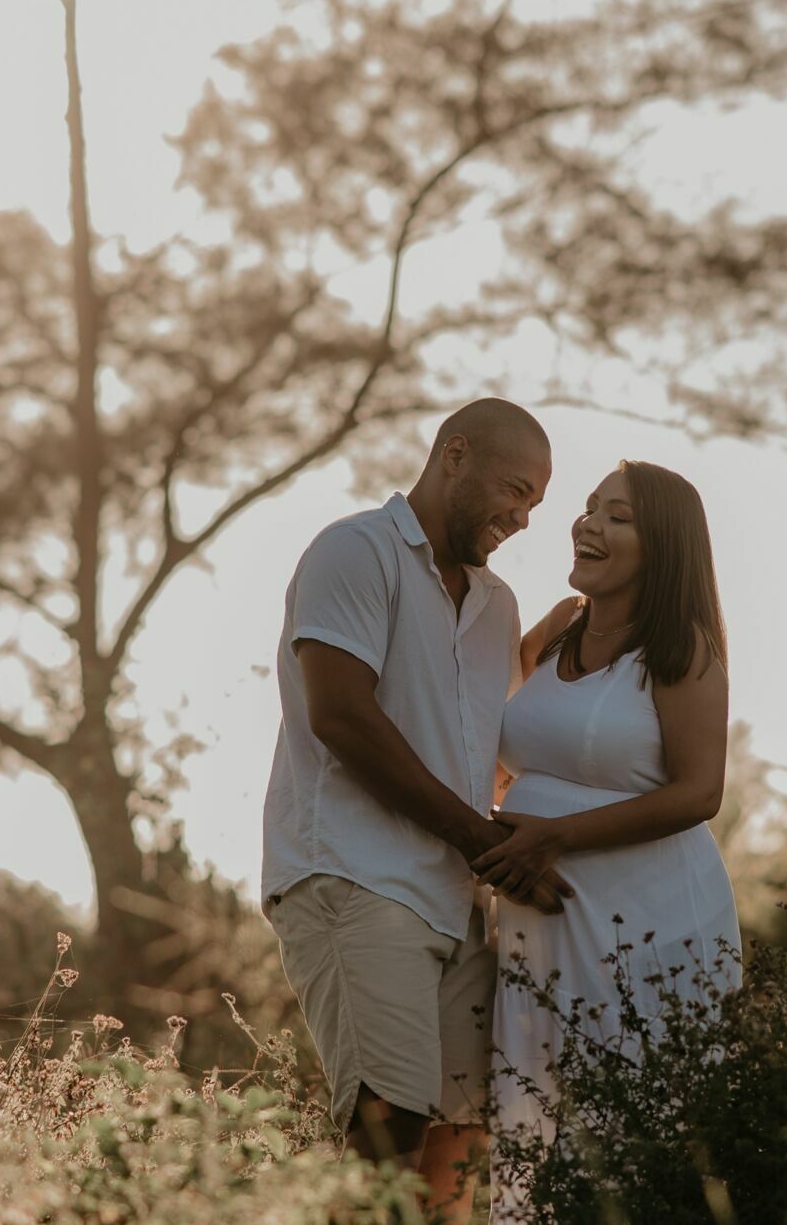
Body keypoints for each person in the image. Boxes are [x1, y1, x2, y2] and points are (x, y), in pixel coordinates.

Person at [260, 397, 571, 1222]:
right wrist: (479, 839)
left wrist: (566, 643)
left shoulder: (497, 606)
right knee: (384, 1138)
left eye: (535, 504)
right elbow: (343, 716)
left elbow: (487, 749)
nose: (523, 516)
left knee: (462, 1145)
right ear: (454, 453)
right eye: (515, 490)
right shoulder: (355, 552)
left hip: (456, 903)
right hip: (353, 877)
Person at [474, 459, 742, 1220]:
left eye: (617, 516)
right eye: (590, 508)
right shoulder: (560, 624)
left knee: (637, 1136)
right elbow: (490, 727)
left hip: (654, 930)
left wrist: (551, 834)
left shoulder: (680, 648)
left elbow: (700, 791)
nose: (588, 522)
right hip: (543, 929)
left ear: (662, 547)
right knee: (537, 1123)